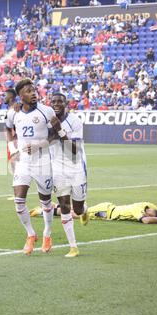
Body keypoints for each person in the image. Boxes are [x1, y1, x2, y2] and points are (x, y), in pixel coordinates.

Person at [5, 78, 55, 256]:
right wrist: (13, 151)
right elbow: (7, 130)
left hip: (42, 162)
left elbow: (55, 134)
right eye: (28, 91)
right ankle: (30, 234)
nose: (33, 93)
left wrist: (39, 145)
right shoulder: (14, 112)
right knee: (19, 201)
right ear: (20, 96)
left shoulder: (46, 111)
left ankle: (47, 233)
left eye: (34, 90)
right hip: (24, 162)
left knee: (46, 202)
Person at [49, 91, 88, 258]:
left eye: (60, 102)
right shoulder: (47, 120)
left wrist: (59, 130)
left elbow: (74, 150)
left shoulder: (75, 121)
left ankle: (85, 209)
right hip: (57, 169)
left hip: (76, 167)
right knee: (64, 206)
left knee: (77, 210)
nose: (56, 104)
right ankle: (73, 247)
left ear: (66, 104)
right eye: (54, 102)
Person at [87, 202, 157, 223]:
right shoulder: (137, 210)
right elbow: (146, 221)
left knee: (79, 213)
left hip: (109, 211)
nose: (148, 215)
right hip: (105, 211)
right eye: (149, 215)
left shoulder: (148, 205)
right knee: (79, 214)